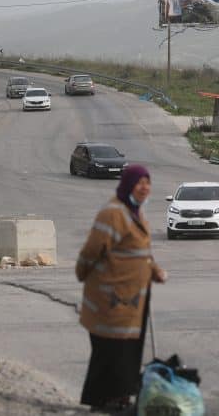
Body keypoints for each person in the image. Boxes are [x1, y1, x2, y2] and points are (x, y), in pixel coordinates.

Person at [76, 165, 167, 414]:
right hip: (110, 298)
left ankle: (117, 399)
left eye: (147, 182)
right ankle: (105, 401)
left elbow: (138, 252)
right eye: (139, 182)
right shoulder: (113, 213)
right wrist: (81, 272)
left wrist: (154, 270)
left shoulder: (135, 213)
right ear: (128, 184)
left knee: (125, 350)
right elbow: (92, 251)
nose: (145, 187)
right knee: (111, 350)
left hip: (130, 299)